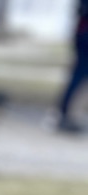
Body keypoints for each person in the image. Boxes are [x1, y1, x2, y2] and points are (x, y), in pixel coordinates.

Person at [56, 0, 88, 134]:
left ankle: (67, 113)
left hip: (82, 33)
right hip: (85, 35)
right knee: (80, 75)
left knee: (80, 75)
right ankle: (65, 114)